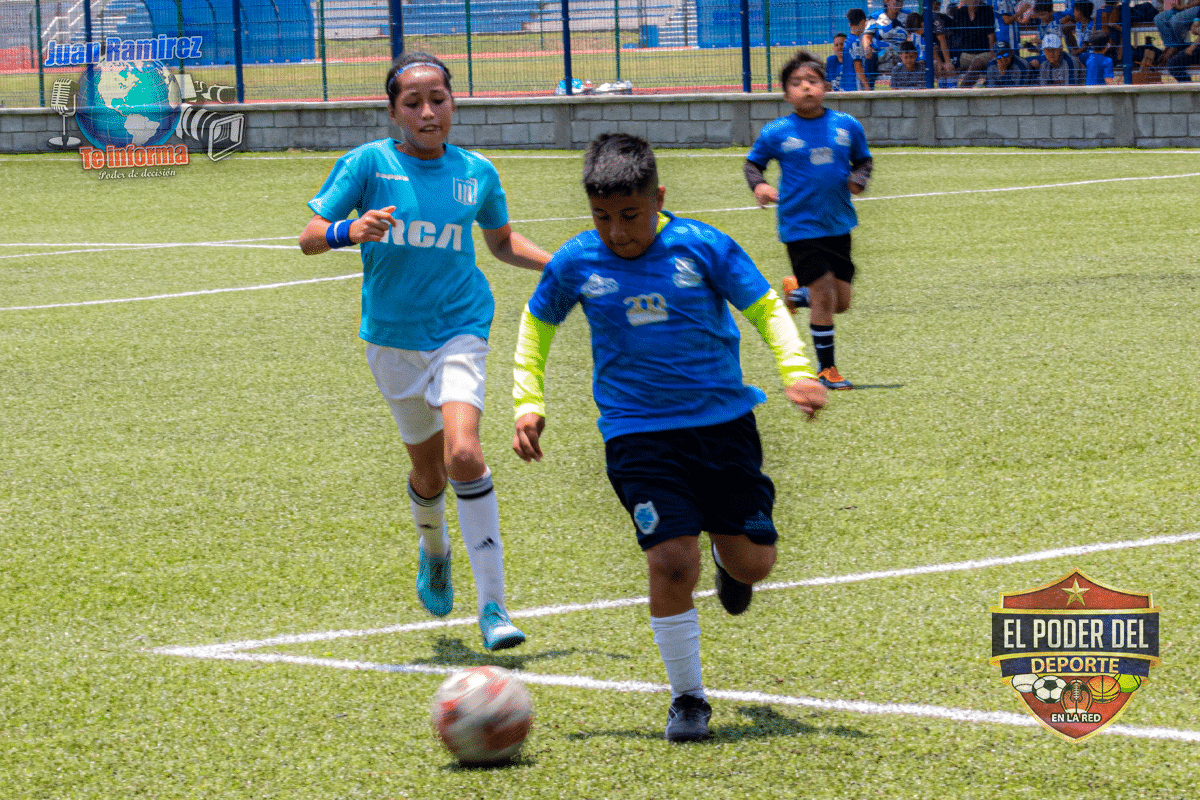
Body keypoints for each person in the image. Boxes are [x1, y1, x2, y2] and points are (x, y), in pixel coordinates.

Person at [512, 132, 828, 742]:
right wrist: (528, 402)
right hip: (638, 435)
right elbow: (536, 323)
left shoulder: (704, 246)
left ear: (659, 197)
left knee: (754, 562)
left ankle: (730, 566)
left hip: (723, 429)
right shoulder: (578, 261)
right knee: (669, 557)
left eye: (630, 215)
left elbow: (764, 306)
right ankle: (688, 697)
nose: (618, 232)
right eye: (602, 218)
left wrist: (798, 373)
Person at [299, 51, 552, 652]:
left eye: (437, 99)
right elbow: (309, 238)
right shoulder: (367, 165)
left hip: (460, 328)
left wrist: (561, 263)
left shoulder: (477, 172)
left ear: (453, 104)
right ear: (394, 112)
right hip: (390, 340)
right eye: (412, 103)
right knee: (428, 470)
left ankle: (494, 607)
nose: (427, 111)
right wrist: (347, 231)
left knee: (464, 453)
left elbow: (501, 241)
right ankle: (433, 549)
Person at [745, 51, 873, 391]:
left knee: (840, 302)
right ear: (786, 93)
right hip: (799, 227)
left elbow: (863, 160)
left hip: (839, 224)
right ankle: (827, 369)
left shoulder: (847, 125)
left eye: (812, 82)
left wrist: (858, 180)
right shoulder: (777, 131)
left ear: (825, 87)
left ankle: (796, 292)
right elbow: (753, 164)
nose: (805, 88)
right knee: (823, 292)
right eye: (796, 83)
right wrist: (759, 185)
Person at [863, 0, 911, 88]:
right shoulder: (875, 16)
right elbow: (866, 36)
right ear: (886, 1)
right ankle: (869, 87)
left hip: (901, 51)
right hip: (881, 53)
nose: (899, 4)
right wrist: (867, 47)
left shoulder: (908, 16)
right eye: (896, 1)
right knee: (870, 55)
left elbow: (912, 35)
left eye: (901, 1)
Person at [951, 0, 997, 86]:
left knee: (977, 63)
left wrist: (993, 55)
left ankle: (961, 92)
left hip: (984, 53)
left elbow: (991, 36)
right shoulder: (959, 13)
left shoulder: (987, 10)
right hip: (965, 54)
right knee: (948, 67)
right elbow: (954, 35)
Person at [844, 8, 872, 91]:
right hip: (855, 84)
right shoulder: (856, 42)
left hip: (846, 82)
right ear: (862, 22)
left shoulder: (848, 39)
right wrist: (866, 84)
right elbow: (857, 65)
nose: (865, 26)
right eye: (864, 24)